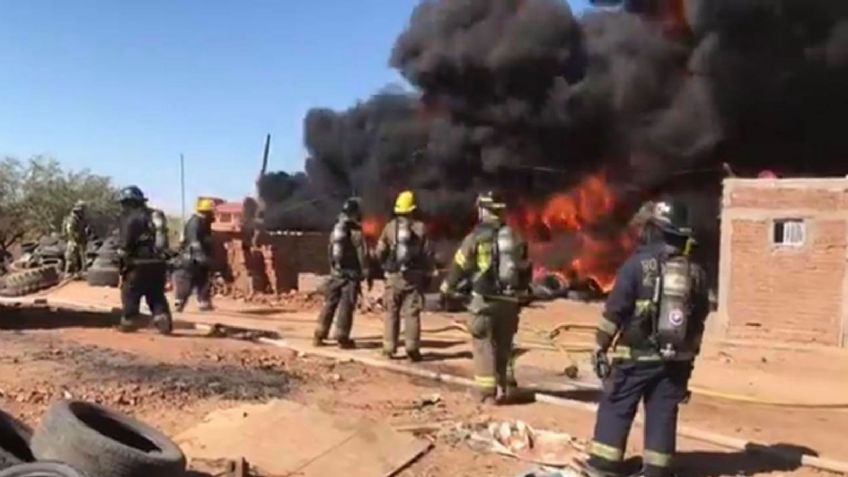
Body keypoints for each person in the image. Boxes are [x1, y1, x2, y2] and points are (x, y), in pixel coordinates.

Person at [584, 198, 710, 477]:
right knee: (663, 412)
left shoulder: (637, 266)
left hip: (635, 357)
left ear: (657, 229)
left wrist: (599, 346)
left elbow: (615, 311)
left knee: (617, 405)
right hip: (676, 360)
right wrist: (687, 362)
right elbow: (700, 320)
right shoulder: (697, 273)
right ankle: (657, 468)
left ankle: (604, 465)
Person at [440, 191, 532, 404]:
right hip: (509, 302)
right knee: (504, 345)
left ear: (483, 210)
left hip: (484, 301)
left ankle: (487, 393)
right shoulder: (515, 237)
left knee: (483, 344)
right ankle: (505, 387)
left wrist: (447, 287)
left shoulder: (475, 237)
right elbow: (525, 268)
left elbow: (459, 266)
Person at [375, 190, 434, 362]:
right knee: (412, 314)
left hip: (393, 277)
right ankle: (412, 349)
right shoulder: (421, 228)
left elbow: (380, 251)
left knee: (391, 313)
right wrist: (428, 272)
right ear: (412, 209)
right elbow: (428, 254)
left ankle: (388, 348)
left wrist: (383, 266)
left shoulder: (389, 227)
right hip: (414, 279)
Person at [313, 197, 370, 349]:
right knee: (346, 305)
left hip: (335, 274)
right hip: (350, 276)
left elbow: (329, 252)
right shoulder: (356, 232)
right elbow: (362, 255)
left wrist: (333, 270)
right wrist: (365, 273)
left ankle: (319, 335)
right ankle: (342, 337)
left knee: (329, 304)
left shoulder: (336, 229)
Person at [116, 185, 173, 335]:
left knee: (130, 292)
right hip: (158, 264)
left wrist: (121, 256)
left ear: (129, 202)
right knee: (156, 294)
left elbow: (126, 244)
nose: (122, 207)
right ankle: (162, 318)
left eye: (124, 203)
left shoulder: (131, 218)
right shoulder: (154, 215)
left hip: (138, 264)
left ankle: (129, 321)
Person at [173, 197, 215, 312]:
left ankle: (203, 302)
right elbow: (194, 241)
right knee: (188, 279)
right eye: (211, 211)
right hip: (192, 257)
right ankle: (180, 301)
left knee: (202, 279)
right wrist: (201, 256)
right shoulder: (195, 222)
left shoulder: (203, 222)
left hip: (197, 256)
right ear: (206, 211)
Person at [63, 200, 90, 274]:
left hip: (80, 240)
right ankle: (68, 273)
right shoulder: (72, 218)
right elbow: (69, 230)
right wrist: (74, 239)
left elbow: (84, 227)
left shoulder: (81, 218)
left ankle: (82, 271)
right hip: (73, 240)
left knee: (83, 256)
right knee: (71, 257)